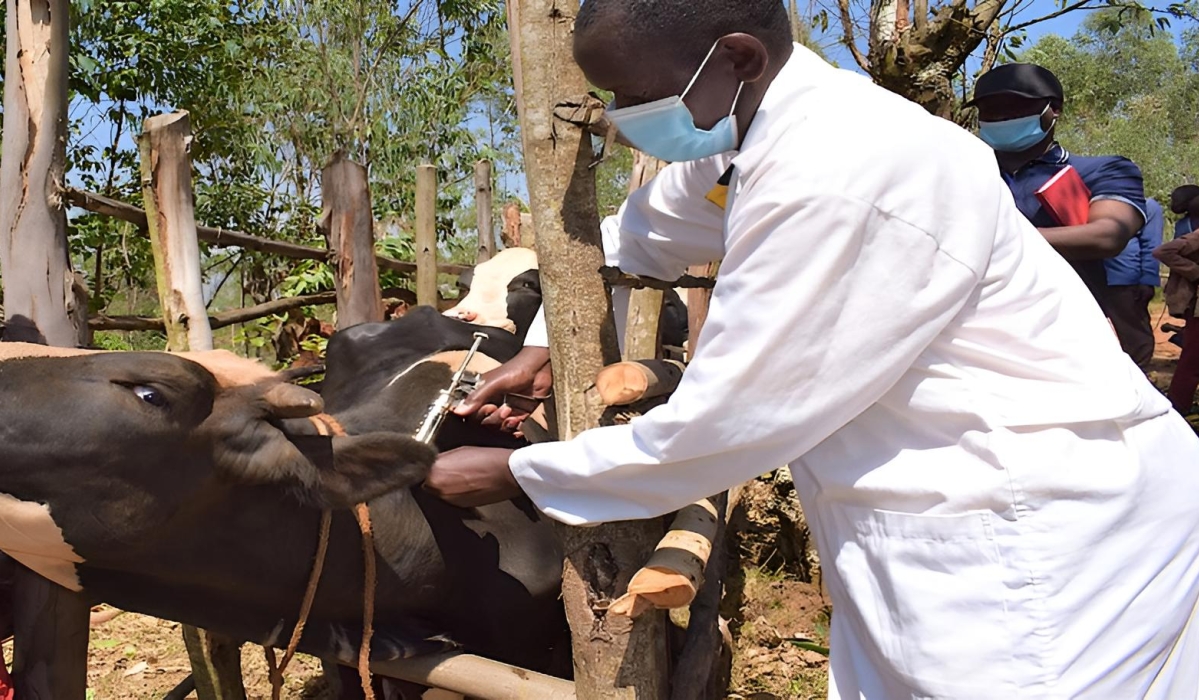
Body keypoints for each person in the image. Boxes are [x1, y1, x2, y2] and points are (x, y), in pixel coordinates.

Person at [426, 1, 1199, 696]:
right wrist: (544, 344)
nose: (624, 118)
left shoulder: (841, 171)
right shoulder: (757, 137)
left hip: (1033, 520)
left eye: (636, 95)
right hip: (940, 503)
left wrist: (516, 470)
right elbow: (636, 234)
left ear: (737, 59)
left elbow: (729, 418)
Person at [970, 63, 1146, 316]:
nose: (1001, 117)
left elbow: (1107, 236)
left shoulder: (1105, 170)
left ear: (1054, 110)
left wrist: (987, 240)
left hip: (1066, 321)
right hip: (975, 321)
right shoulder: (966, 173)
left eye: (1015, 106)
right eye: (989, 110)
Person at [1104, 198, 1164, 369]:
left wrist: (1147, 280)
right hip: (1091, 278)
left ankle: (1139, 377)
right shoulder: (1091, 201)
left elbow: (1152, 245)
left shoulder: (1147, 206)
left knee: (1134, 336)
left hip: (1125, 280)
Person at [1157, 185, 1199, 415]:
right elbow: (1164, 252)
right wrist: (1194, 272)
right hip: (1193, 298)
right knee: (1192, 360)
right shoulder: (1190, 231)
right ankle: (1177, 407)